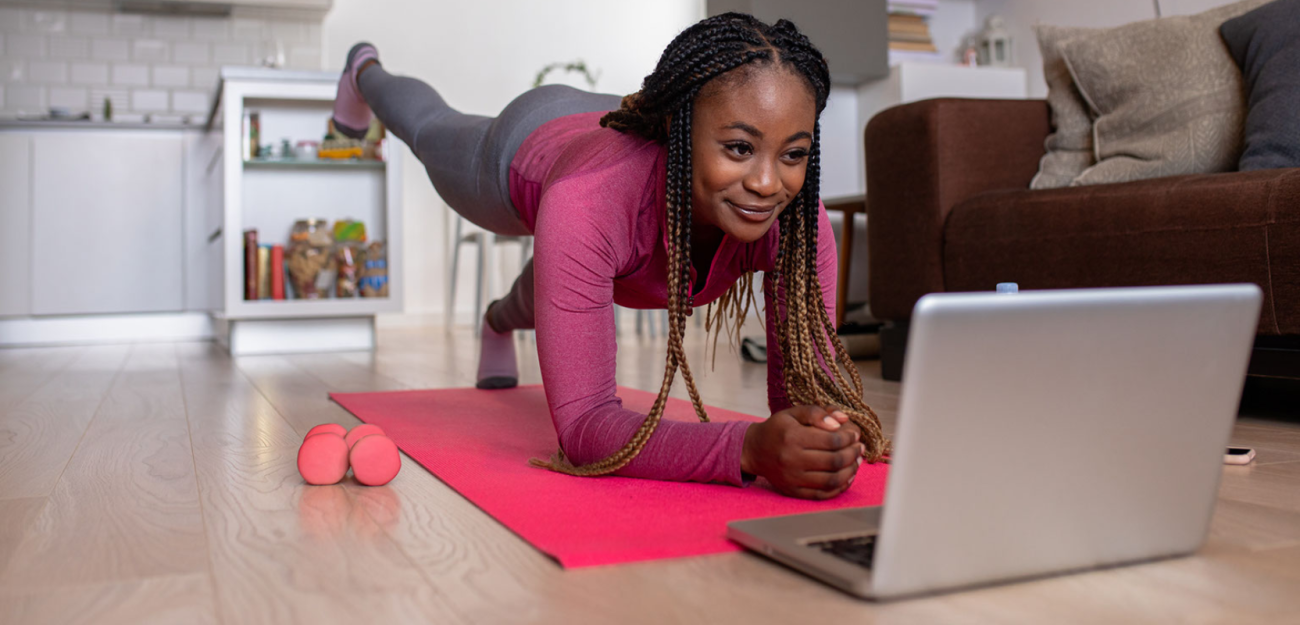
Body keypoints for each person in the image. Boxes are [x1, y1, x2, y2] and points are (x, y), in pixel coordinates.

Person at [332, 13, 889, 500]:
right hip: (529, 145)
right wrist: (746, 449)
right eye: (739, 148)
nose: (769, 183)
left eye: (793, 153)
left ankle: (496, 320)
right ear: (678, 127)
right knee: (432, 132)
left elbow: (806, 395)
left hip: (602, 194)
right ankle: (363, 71)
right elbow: (584, 431)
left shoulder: (800, 226)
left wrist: (822, 433)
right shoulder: (587, 201)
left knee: (572, 264)